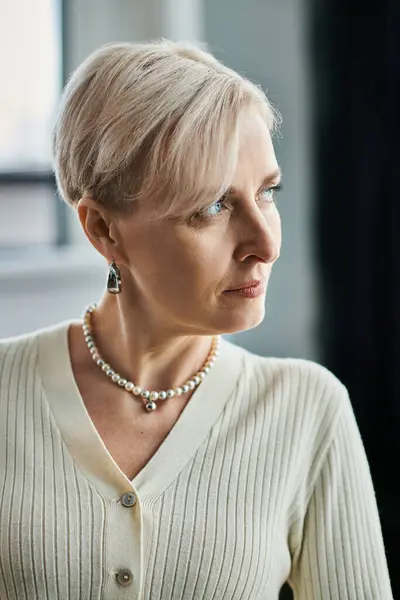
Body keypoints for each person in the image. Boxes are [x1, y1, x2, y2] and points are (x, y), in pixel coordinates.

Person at [0, 39, 393, 600]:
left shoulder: (308, 410)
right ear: (104, 231)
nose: (265, 244)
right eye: (213, 206)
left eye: (268, 192)